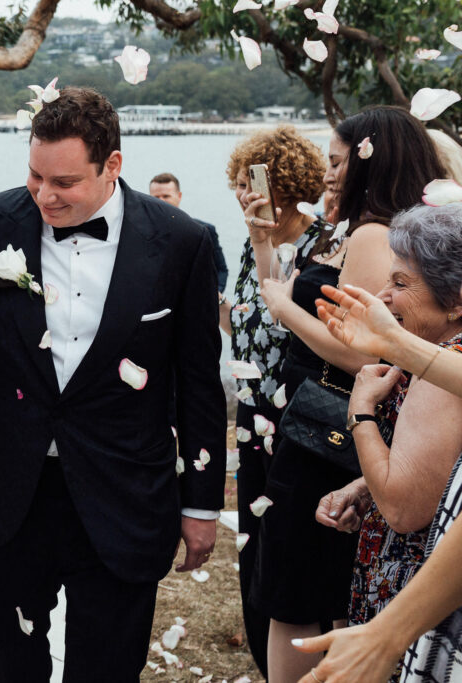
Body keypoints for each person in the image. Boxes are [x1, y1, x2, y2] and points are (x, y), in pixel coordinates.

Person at [0, 86, 226, 681]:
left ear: (113, 166)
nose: (44, 195)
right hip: (9, 488)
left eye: (65, 183)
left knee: (108, 666)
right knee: (11, 655)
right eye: (35, 176)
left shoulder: (183, 241)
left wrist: (201, 502)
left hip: (123, 490)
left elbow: (199, 382)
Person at [248, 106, 447, 683]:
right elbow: (279, 297)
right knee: (309, 588)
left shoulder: (370, 234)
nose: (329, 174)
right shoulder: (348, 228)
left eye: (336, 161)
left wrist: (286, 310)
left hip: (327, 431)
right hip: (314, 423)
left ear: (369, 161)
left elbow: (365, 349)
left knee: (295, 595)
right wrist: (264, 243)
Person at [310, 204, 462, 681]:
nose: (383, 295)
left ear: (456, 300)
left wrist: (361, 412)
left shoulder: (443, 370)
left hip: (422, 591)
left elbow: (403, 508)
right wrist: (362, 486)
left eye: (400, 284)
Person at [218, 125, 328, 678]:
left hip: (301, 422)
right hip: (253, 416)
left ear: (284, 183)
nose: (243, 194)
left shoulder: (324, 247)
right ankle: (268, 663)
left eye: (252, 182)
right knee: (253, 548)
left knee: (289, 560)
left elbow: (297, 332)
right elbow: (251, 320)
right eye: (238, 183)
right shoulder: (249, 244)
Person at [149, 171, 228, 290]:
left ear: (179, 196)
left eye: (166, 196)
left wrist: (214, 297)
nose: (161, 201)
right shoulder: (141, 232)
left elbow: (221, 269)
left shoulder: (204, 230)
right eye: (156, 197)